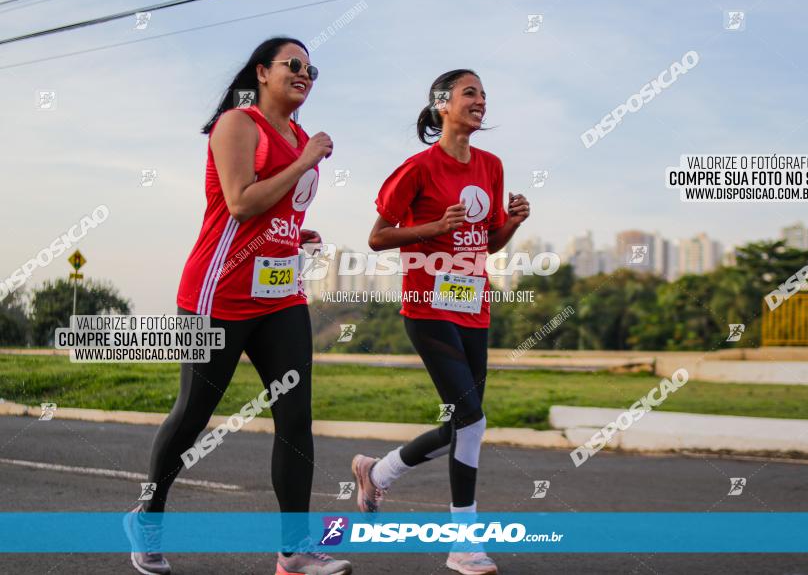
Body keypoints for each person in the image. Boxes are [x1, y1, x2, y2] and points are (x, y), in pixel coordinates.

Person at [122, 37, 352, 575]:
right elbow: (240, 200)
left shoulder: (296, 135)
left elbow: (269, 211)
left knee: (295, 419)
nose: (304, 73)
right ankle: (148, 517)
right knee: (193, 415)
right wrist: (304, 161)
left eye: (311, 68)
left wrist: (293, 233)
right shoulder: (238, 124)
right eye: (292, 65)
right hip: (216, 294)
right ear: (263, 73)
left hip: (279, 295)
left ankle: (294, 551)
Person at [351, 69, 530, 575]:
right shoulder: (418, 168)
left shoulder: (491, 166)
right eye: (470, 93)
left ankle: (376, 472)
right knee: (472, 422)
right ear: (441, 104)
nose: (480, 101)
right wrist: (434, 227)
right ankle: (463, 544)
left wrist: (512, 222)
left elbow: (487, 242)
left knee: (461, 425)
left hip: (474, 306)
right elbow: (378, 236)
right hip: (428, 307)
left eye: (484, 95)